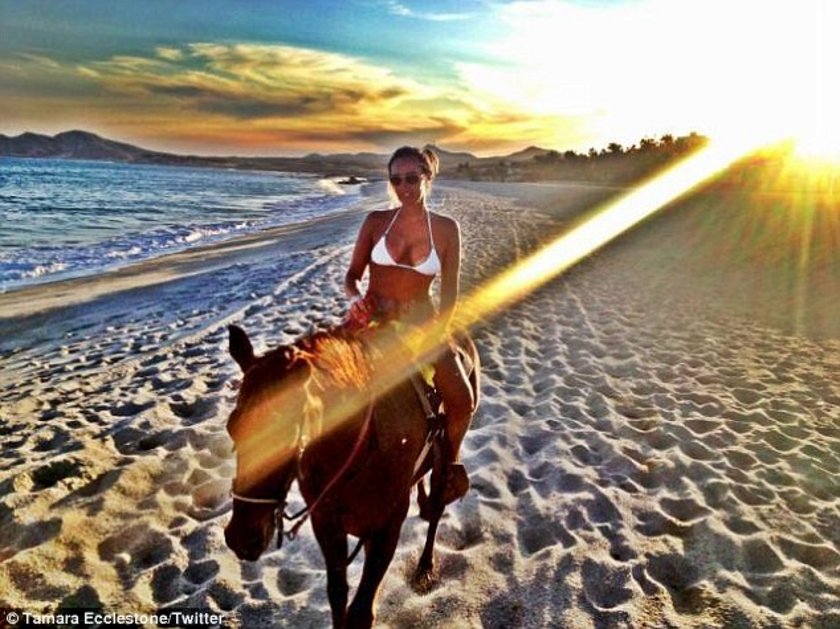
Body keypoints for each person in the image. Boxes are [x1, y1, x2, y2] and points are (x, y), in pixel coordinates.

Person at [344, 146, 474, 503]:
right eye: (396, 179)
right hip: (370, 319)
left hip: (421, 323)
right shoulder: (375, 222)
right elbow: (352, 277)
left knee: (461, 399)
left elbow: (449, 296)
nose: (403, 187)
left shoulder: (446, 230)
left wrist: (435, 333)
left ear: (427, 178)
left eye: (412, 179)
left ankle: (449, 466)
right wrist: (355, 302)